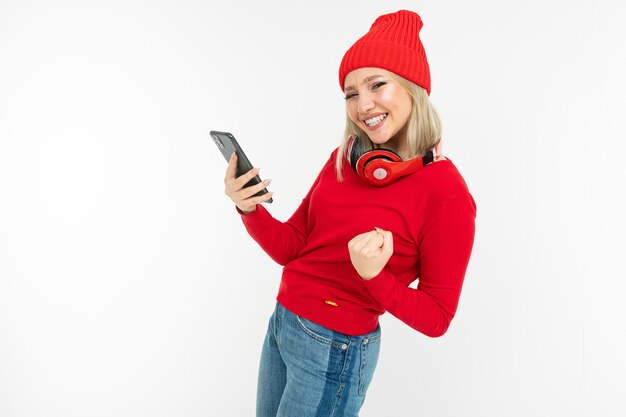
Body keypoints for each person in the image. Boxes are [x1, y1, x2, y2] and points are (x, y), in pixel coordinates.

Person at [223, 10, 476, 417]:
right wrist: (249, 208)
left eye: (377, 84)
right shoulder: (344, 159)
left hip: (334, 346)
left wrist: (376, 278)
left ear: (413, 88)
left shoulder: (447, 194)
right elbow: (294, 248)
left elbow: (437, 318)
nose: (363, 105)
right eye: (351, 93)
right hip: (283, 324)